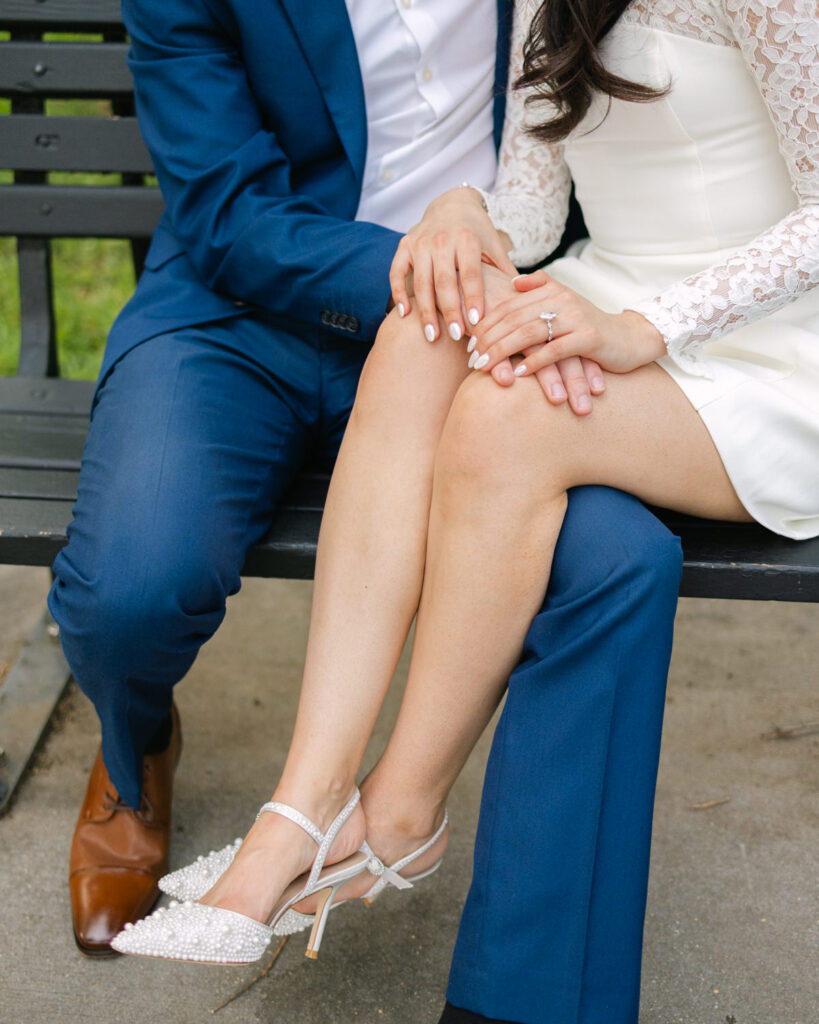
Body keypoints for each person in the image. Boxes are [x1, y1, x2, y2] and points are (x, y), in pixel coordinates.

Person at [110, 1, 818, 1021]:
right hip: (604, 296)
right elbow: (533, 200)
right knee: (421, 328)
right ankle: (301, 808)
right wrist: (461, 215)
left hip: (765, 349)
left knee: (507, 415)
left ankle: (399, 812)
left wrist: (646, 325)